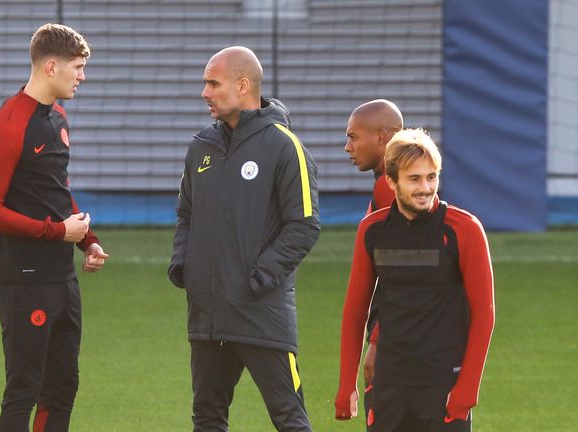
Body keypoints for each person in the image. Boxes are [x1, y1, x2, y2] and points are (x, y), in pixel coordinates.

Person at [168, 46, 321, 431]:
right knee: (207, 418)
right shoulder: (200, 146)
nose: (204, 92)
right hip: (208, 316)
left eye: (212, 83)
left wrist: (257, 279)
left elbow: (303, 225)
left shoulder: (285, 148)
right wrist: (184, 267)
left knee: (289, 418)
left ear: (241, 85)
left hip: (261, 313)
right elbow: (186, 214)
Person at [0, 23, 110, 432]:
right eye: (77, 67)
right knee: (23, 390)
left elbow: (56, 191)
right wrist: (57, 232)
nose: (82, 76)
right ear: (51, 66)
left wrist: (86, 239)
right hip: (23, 282)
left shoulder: (58, 117)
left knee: (63, 386)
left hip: (62, 279)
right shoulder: (10, 122)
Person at [335, 128, 495, 431]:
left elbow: (484, 315)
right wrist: (347, 385)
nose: (425, 187)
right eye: (414, 179)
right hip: (387, 385)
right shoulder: (372, 230)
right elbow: (355, 311)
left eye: (431, 177)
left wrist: (467, 388)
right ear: (392, 181)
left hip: (443, 382)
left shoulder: (464, 229)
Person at [344, 99, 403, 424]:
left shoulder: (389, 188)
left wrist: (378, 340)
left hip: (398, 335)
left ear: (382, 138)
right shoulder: (392, 183)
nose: (347, 147)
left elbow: (402, 273)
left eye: (354, 137)